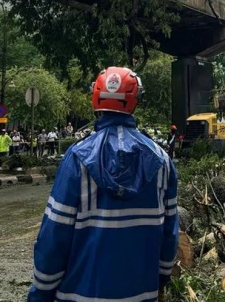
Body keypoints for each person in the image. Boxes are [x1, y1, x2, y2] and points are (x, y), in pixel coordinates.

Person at [28, 67, 178, 302]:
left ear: (95, 99)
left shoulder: (77, 158)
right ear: (135, 101)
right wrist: (161, 278)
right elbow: (169, 234)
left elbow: (54, 235)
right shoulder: (162, 161)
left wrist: (41, 291)